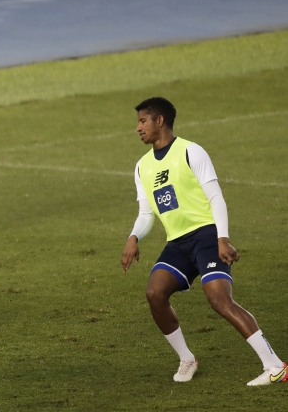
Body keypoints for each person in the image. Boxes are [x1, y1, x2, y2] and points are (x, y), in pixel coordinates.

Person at [121, 97, 286, 386]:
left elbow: (215, 197)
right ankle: (187, 358)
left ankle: (275, 366)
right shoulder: (142, 167)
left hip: (207, 236)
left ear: (160, 121)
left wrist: (223, 238)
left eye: (143, 120)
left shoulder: (190, 151)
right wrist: (134, 236)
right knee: (155, 294)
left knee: (219, 300)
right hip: (177, 243)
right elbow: (146, 212)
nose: (138, 127)